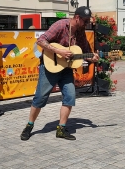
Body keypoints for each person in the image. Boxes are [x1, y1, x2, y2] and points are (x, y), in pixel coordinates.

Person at [20, 6, 99, 141]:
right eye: (85, 21)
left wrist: (93, 57)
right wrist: (59, 52)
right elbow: (41, 40)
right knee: (40, 98)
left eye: (88, 22)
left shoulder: (80, 32)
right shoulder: (61, 25)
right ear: (77, 18)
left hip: (66, 69)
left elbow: (85, 52)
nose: (86, 24)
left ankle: (61, 129)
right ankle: (29, 125)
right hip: (50, 66)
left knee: (70, 96)